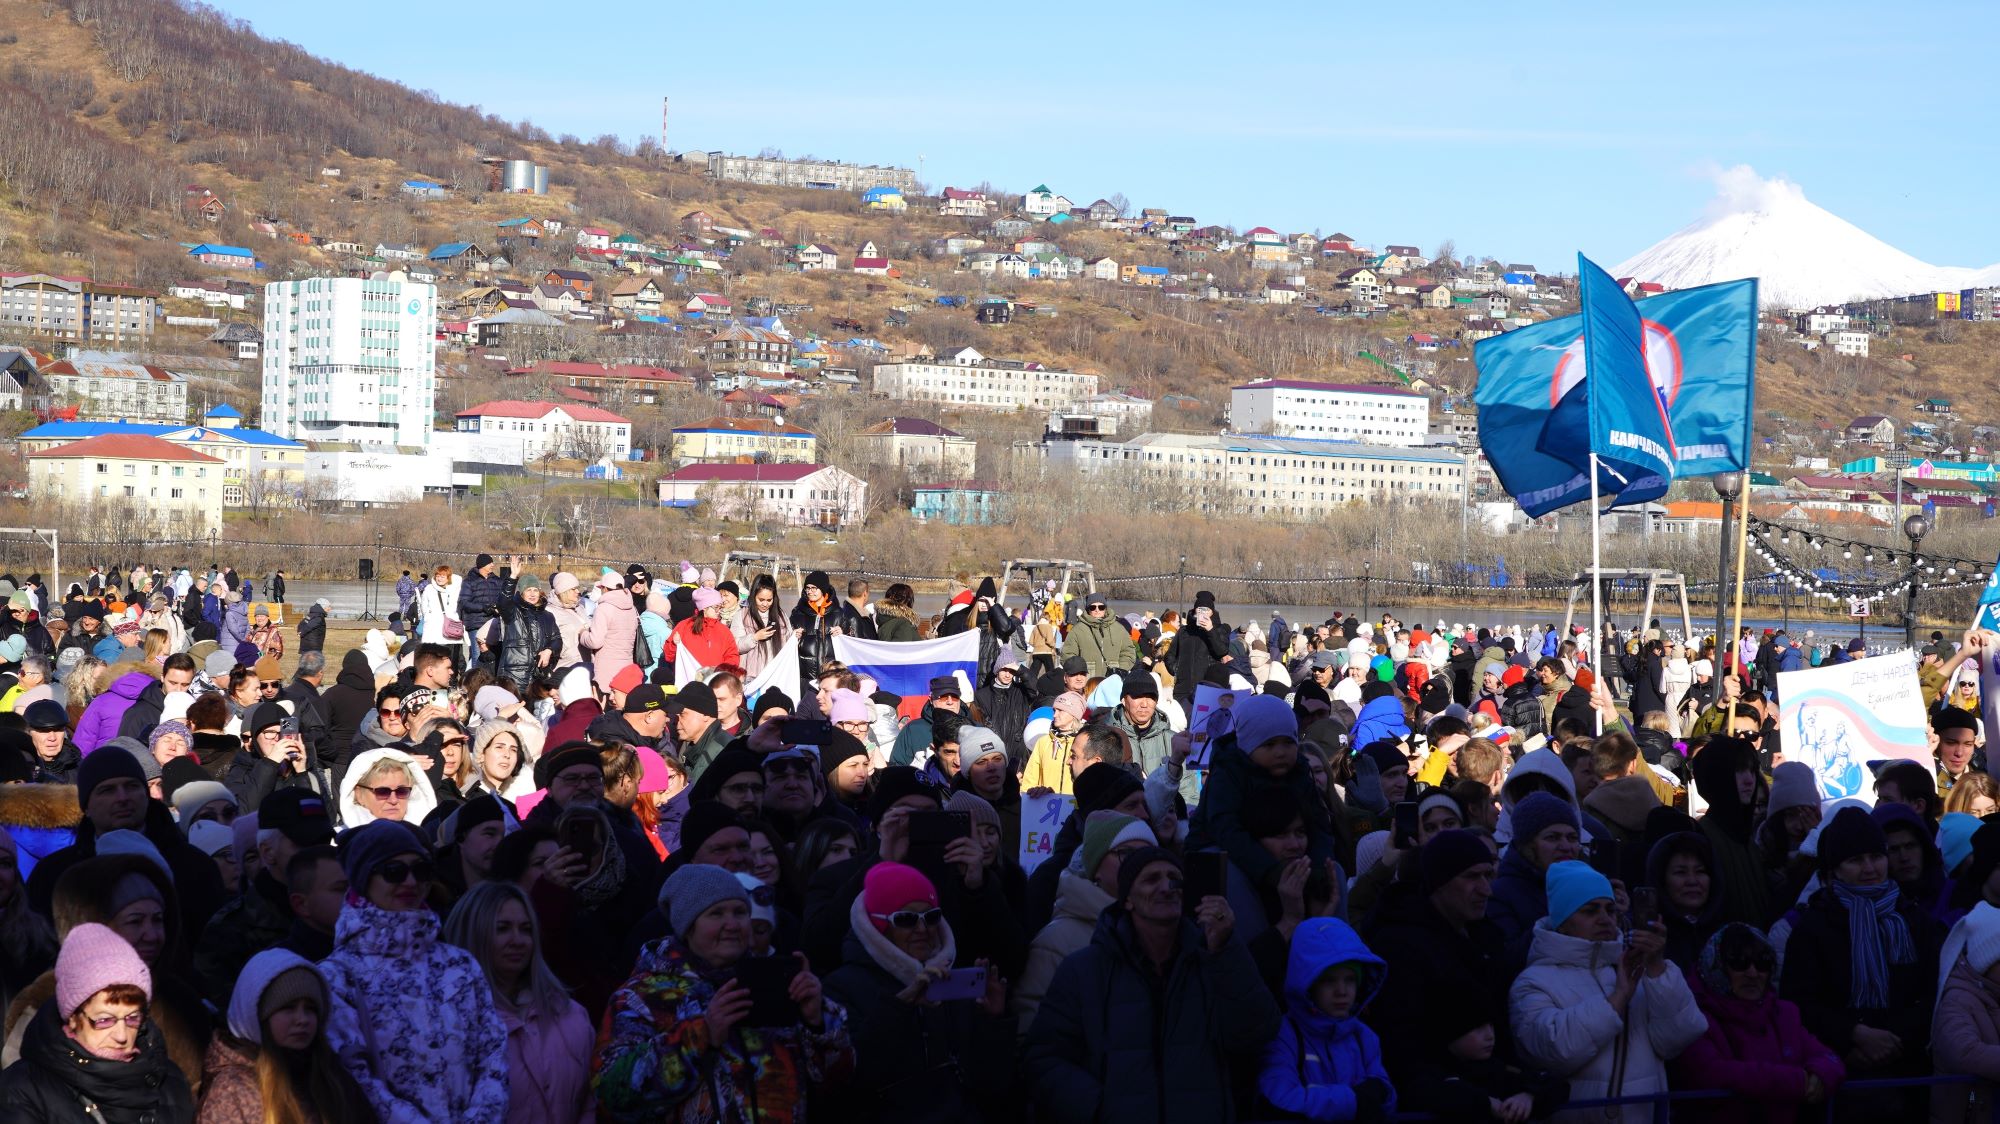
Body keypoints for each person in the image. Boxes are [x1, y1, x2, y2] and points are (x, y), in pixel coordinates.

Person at [1023, 846, 1281, 1124]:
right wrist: (1099, 1108)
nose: (1166, 887)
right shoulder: (1083, 970)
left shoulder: (1213, 960)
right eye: (1151, 879)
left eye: (1174, 878)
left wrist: (1226, 950)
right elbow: (1044, 1059)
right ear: (1128, 900)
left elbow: (1256, 1032)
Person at [594, 864, 853, 1123]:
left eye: (740, 912)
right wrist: (700, 1035)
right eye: (716, 914)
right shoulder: (640, 997)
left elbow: (838, 1087)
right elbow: (613, 1093)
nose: (732, 924)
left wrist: (817, 1022)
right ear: (688, 926)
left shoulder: (774, 983)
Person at [318, 820, 510, 1122]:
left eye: (420, 871)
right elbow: (355, 1077)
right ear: (364, 877)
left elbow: (493, 1053)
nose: (410, 882)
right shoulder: (336, 977)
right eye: (394, 872)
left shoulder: (459, 964)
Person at [1509, 861, 1707, 1124]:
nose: (1604, 919)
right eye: (1590, 910)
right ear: (1562, 922)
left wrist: (1658, 967)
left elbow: (1679, 1037)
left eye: (1610, 909)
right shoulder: (1533, 981)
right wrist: (1616, 1000)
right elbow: (1551, 1050)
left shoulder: (1630, 967)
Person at [1780, 805, 1942, 1116]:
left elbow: (1932, 993)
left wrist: (1893, 1041)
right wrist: (1853, 1037)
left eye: (1876, 856)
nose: (1870, 868)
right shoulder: (1814, 926)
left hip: (1908, 1075)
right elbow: (1799, 1002)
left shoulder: (1914, 920)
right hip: (1839, 1078)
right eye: (1855, 860)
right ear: (1835, 870)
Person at [821, 862, 1015, 1122]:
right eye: (906, 919)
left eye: (931, 916)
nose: (923, 929)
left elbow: (993, 1086)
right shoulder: (840, 988)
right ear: (879, 926)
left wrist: (992, 1021)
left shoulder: (950, 980)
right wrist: (900, 1006)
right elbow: (852, 1079)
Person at [0, 922, 195, 1123]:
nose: (121, 1035)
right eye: (104, 1020)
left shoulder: (170, 1080)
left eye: (133, 1018)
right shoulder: (24, 1088)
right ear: (73, 1018)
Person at [443, 882, 595, 1124]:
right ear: (473, 933)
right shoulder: (448, 1024)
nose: (518, 940)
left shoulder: (570, 1015)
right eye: (502, 929)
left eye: (525, 929)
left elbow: (589, 1103)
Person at [1675, 923, 1844, 1124]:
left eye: (1763, 963)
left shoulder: (1783, 1013)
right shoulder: (1693, 1015)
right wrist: (1796, 1081)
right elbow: (1711, 1073)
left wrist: (1820, 1074)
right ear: (1716, 967)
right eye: (1739, 962)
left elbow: (1828, 1057)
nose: (1753, 973)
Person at [198, 949, 375, 1124]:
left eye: (310, 1009)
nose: (302, 1019)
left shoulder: (332, 1078)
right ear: (258, 1016)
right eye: (288, 1008)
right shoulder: (232, 1091)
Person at [1257, 917, 1395, 1122]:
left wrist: (1380, 1093)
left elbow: (1387, 1098)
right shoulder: (1285, 1035)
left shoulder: (1364, 1037)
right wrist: (1355, 1100)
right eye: (1329, 980)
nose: (1342, 991)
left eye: (1350, 979)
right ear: (1308, 984)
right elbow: (1279, 1098)